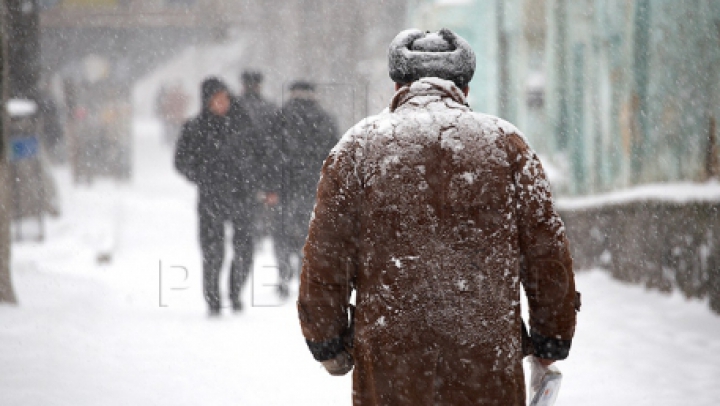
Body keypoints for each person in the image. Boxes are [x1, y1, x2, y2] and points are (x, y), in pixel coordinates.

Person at [297, 29, 580, 405]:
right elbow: (546, 253)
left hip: (390, 367)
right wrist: (551, 339)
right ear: (464, 87)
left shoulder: (357, 148)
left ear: (397, 82)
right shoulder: (507, 145)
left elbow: (326, 258)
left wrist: (328, 343)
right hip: (486, 364)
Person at [174, 77, 256, 316]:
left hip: (242, 194)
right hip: (211, 197)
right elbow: (181, 161)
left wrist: (253, 178)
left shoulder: (243, 124)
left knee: (244, 248)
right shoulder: (195, 127)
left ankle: (235, 292)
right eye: (215, 100)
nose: (221, 104)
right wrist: (201, 175)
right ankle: (213, 298)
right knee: (212, 250)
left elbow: (261, 154)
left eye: (224, 99)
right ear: (206, 102)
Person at [276, 80, 338, 297]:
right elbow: (335, 153)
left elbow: (270, 152)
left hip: (285, 185)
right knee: (309, 232)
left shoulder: (280, 117)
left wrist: (270, 184)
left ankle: (283, 276)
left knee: (282, 231)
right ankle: (307, 276)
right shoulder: (325, 119)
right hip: (314, 184)